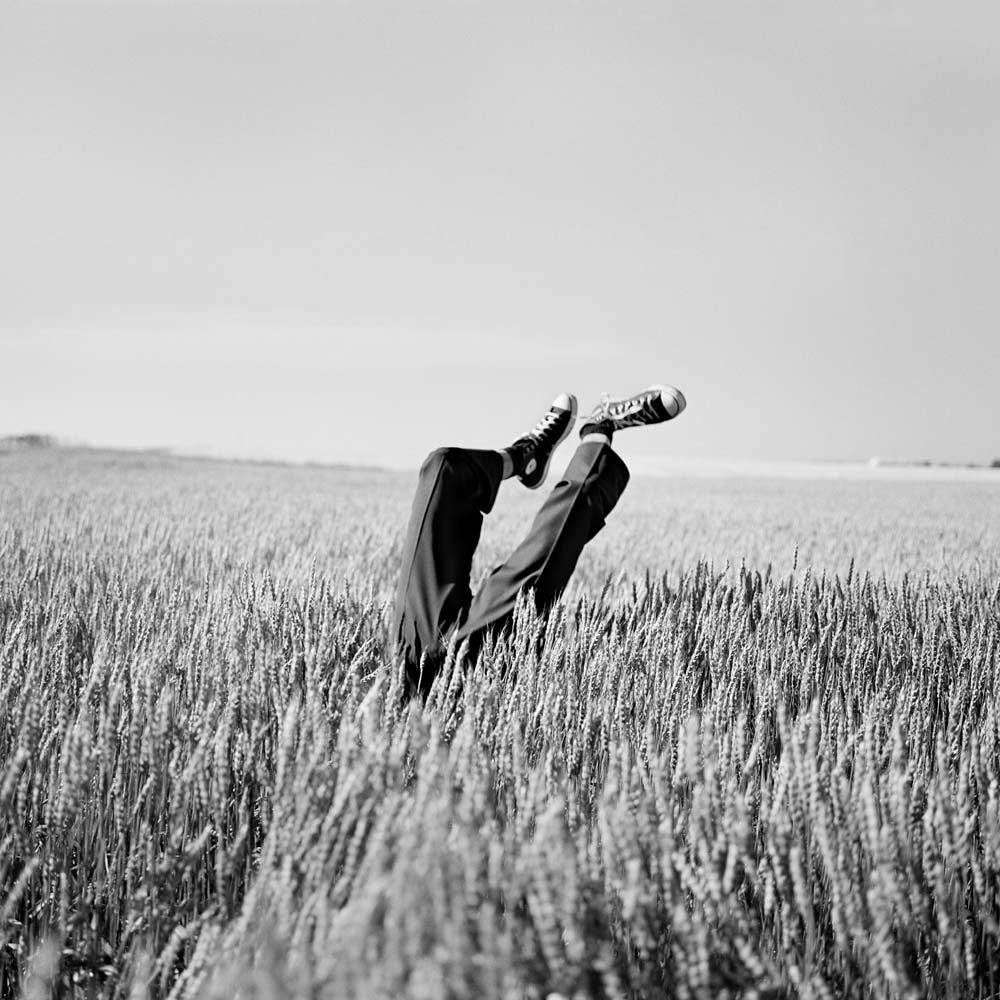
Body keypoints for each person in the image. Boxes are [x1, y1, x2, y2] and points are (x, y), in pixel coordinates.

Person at [391, 384, 687, 698]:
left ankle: (524, 458)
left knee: (443, 466)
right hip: (465, 687)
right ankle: (600, 429)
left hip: (408, 672)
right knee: (552, 545)